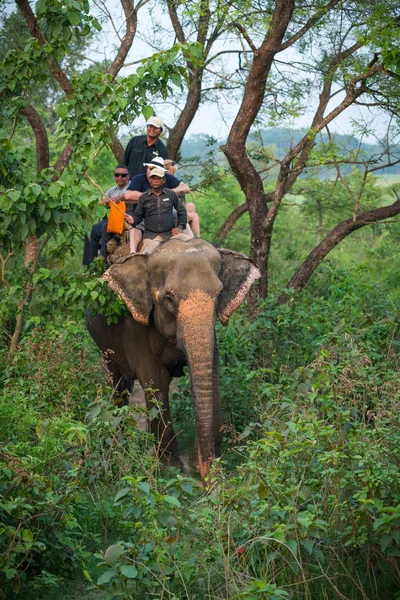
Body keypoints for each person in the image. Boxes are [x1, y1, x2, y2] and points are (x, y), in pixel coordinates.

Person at [118, 156, 192, 251]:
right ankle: (133, 252)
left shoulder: (168, 184)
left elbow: (185, 188)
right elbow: (128, 195)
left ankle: (193, 244)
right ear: (147, 169)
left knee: (180, 217)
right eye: (151, 168)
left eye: (157, 171)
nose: (155, 179)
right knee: (136, 225)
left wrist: (167, 194)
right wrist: (151, 196)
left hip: (167, 217)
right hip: (145, 217)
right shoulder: (139, 181)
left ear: (162, 177)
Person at [83, 165, 130, 265]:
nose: (120, 177)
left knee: (105, 227)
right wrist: (107, 201)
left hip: (125, 218)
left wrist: (110, 201)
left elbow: (126, 198)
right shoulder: (112, 190)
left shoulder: (131, 187)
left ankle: (103, 259)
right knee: (94, 229)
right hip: (111, 217)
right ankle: (90, 262)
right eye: (117, 175)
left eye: (123, 175)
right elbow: (102, 201)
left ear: (128, 176)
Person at [164, 160, 201, 238]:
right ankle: (197, 238)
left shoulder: (171, 181)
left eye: (173, 172)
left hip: (174, 206)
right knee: (195, 216)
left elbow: (185, 188)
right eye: (171, 172)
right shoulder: (164, 181)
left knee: (191, 206)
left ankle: (189, 228)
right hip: (169, 209)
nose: (172, 174)